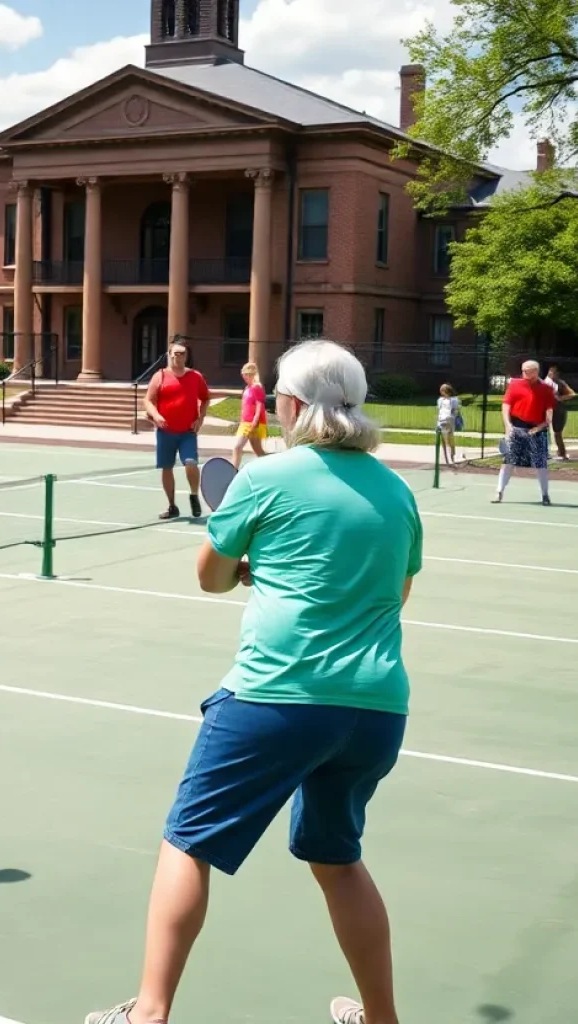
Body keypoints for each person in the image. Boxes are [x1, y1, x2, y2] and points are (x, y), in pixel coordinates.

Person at [86, 339, 423, 1024]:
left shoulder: (267, 478)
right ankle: (383, 1018)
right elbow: (398, 592)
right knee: (337, 858)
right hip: (377, 710)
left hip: (277, 698)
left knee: (189, 841)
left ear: (292, 405)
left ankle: (148, 1014)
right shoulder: (397, 489)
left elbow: (210, 577)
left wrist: (248, 567)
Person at [144, 340, 210, 519]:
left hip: (188, 432)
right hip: (166, 432)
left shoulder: (196, 377)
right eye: (174, 353)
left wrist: (200, 418)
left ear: (186, 356)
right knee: (167, 467)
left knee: (190, 463)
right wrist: (156, 415)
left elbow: (205, 399)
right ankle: (172, 506)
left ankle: (194, 496)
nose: (177, 356)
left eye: (181, 354)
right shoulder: (160, 376)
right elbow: (148, 400)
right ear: (169, 354)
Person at [493, 359, 556, 506]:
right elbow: (506, 405)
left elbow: (549, 413)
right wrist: (508, 425)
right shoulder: (515, 385)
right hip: (517, 427)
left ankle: (545, 495)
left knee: (541, 464)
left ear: (535, 371)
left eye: (527, 371)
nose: (523, 373)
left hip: (537, 429)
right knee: (508, 461)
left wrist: (540, 427)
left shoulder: (547, 389)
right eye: (523, 370)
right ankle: (499, 492)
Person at [231, 361, 267, 468]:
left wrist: (255, 421)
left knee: (237, 447)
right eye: (243, 375)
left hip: (253, 423)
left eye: (246, 375)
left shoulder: (257, 387)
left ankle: (233, 471)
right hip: (245, 422)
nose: (244, 377)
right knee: (259, 452)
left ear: (252, 374)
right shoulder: (248, 388)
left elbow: (259, 405)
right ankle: (270, 467)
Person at [544, 365, 576, 461]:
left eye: (553, 372)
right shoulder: (544, 382)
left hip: (558, 411)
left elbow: (572, 394)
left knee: (557, 433)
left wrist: (560, 398)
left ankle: (562, 453)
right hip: (546, 410)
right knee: (542, 432)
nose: (551, 374)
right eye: (550, 372)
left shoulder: (560, 383)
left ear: (557, 374)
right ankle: (544, 453)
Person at [436, 383, 461, 467]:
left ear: (444, 391)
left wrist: (452, 417)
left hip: (447, 421)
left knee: (448, 441)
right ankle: (448, 459)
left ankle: (451, 459)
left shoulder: (452, 400)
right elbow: (440, 411)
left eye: (441, 390)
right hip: (444, 421)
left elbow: (455, 411)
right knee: (445, 440)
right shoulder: (441, 400)